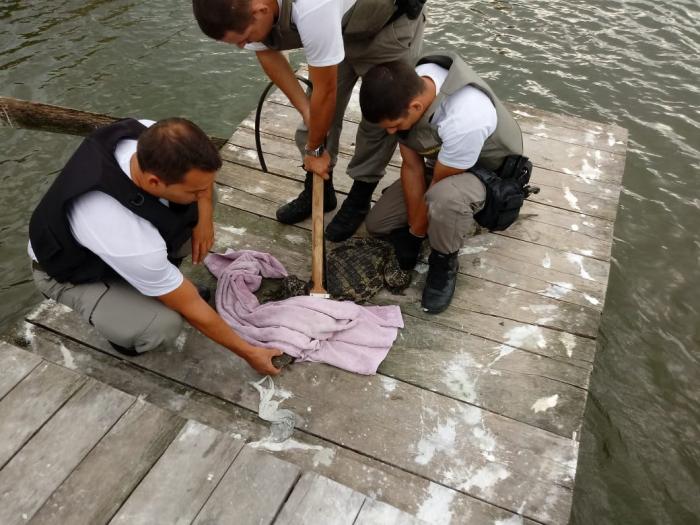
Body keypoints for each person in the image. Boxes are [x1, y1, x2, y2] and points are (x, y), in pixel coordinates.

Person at [28, 117, 281, 375]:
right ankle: (127, 326)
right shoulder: (121, 230)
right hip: (68, 272)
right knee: (162, 325)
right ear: (153, 183)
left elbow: (203, 179)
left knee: (203, 198)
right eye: (195, 191)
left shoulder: (154, 137)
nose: (201, 193)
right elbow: (190, 306)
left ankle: (154, 282)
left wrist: (204, 216)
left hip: (119, 247)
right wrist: (250, 352)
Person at [192, 0, 426, 241]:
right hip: (341, 26)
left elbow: (327, 92)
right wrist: (307, 110)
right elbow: (267, 53)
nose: (242, 47)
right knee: (315, 116)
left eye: (243, 38)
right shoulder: (248, 10)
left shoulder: (314, 8)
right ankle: (320, 191)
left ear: (260, 11)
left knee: (382, 117)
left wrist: (315, 151)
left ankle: (360, 196)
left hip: (386, 26)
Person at [358, 52, 525, 313]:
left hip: (489, 175)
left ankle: (444, 261)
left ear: (415, 107)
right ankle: (429, 228)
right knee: (378, 224)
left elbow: (438, 182)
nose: (390, 133)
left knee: (444, 200)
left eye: (394, 126)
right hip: (443, 160)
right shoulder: (414, 81)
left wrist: (415, 234)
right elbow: (412, 165)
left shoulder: (465, 117)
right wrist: (415, 228)